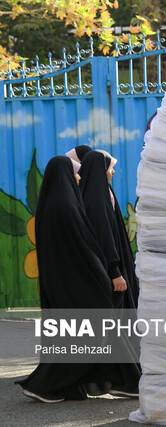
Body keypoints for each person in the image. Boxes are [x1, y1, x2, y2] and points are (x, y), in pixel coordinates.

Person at [16, 156, 114, 403]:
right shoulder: (66, 206)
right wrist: (103, 275)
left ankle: (70, 386)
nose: (79, 177)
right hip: (75, 283)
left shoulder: (50, 204)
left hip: (60, 283)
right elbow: (81, 247)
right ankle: (43, 384)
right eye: (75, 173)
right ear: (64, 175)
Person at [79, 150, 139, 309]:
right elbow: (104, 237)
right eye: (109, 168)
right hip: (108, 272)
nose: (112, 171)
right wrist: (115, 272)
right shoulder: (97, 202)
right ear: (99, 170)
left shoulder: (99, 194)